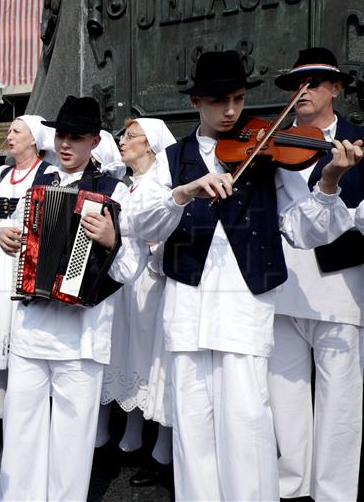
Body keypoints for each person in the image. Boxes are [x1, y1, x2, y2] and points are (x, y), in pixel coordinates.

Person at [130, 50, 362, 501]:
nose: (233, 111)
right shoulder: (174, 159)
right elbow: (141, 224)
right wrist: (182, 194)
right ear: (197, 101)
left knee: (248, 428)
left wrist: (329, 180)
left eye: (238, 99)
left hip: (244, 311)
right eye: (220, 101)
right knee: (192, 432)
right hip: (187, 312)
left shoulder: (267, 154)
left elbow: (304, 229)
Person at [0, 96, 143, 501]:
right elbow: (19, 235)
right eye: (61, 135)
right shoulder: (39, 183)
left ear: (94, 141)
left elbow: (132, 266)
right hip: (32, 325)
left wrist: (112, 240)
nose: (65, 144)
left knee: (72, 439)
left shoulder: (115, 191)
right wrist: (7, 238)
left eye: (76, 137)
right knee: (21, 427)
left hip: (82, 334)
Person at [267, 47, 364, 502]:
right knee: (284, 393)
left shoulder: (359, 141)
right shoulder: (277, 144)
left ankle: (334, 493)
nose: (301, 92)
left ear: (337, 89)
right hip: (284, 284)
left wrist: (335, 191)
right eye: (295, 85)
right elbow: (283, 219)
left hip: (340, 288)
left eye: (313, 84)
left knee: (339, 398)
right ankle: (292, 485)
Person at [97, 118, 177, 488]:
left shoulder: (162, 186)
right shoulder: (124, 188)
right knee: (124, 355)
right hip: (122, 284)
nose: (123, 141)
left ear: (151, 145)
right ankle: (128, 439)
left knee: (154, 362)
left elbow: (167, 236)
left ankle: (161, 451)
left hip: (151, 284)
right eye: (123, 136)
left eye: (131, 136)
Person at [0, 115, 54, 427]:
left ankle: (24, 412)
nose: (10, 135)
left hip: (24, 262)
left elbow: (45, 217)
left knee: (20, 336)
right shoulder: (2, 173)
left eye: (17, 131)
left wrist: (0, 222)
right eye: (10, 129)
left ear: (34, 139)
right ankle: (1, 411)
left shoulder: (48, 173)